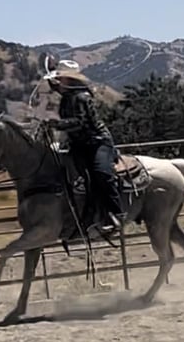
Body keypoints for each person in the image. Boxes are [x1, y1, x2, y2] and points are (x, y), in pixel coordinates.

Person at [42, 58, 124, 233]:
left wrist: (56, 124)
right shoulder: (66, 97)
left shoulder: (82, 97)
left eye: (60, 78)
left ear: (68, 79)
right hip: (79, 144)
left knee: (101, 173)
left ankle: (115, 214)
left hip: (97, 142)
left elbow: (81, 122)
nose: (57, 81)